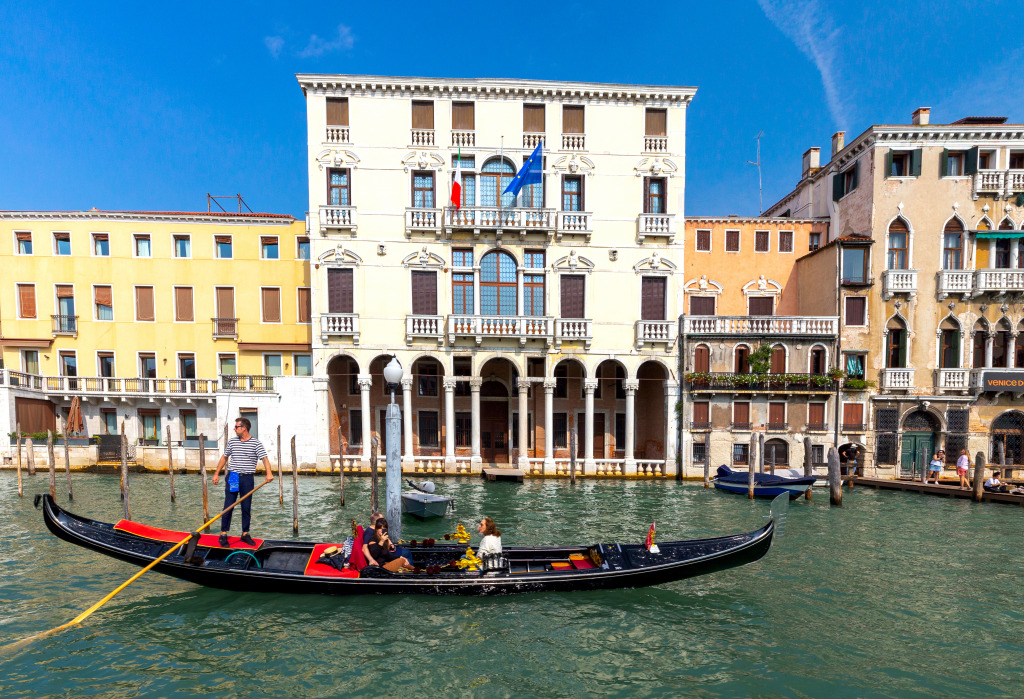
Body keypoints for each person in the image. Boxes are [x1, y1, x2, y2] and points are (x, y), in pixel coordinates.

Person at [212, 417, 274, 547]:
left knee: (246, 507)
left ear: (244, 428)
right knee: (229, 505)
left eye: (236, 427)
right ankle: (223, 534)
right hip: (233, 476)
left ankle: (245, 534)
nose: (234, 429)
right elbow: (224, 457)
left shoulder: (256, 443)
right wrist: (217, 473)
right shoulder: (232, 442)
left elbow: (264, 459)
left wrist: (269, 473)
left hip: (247, 478)